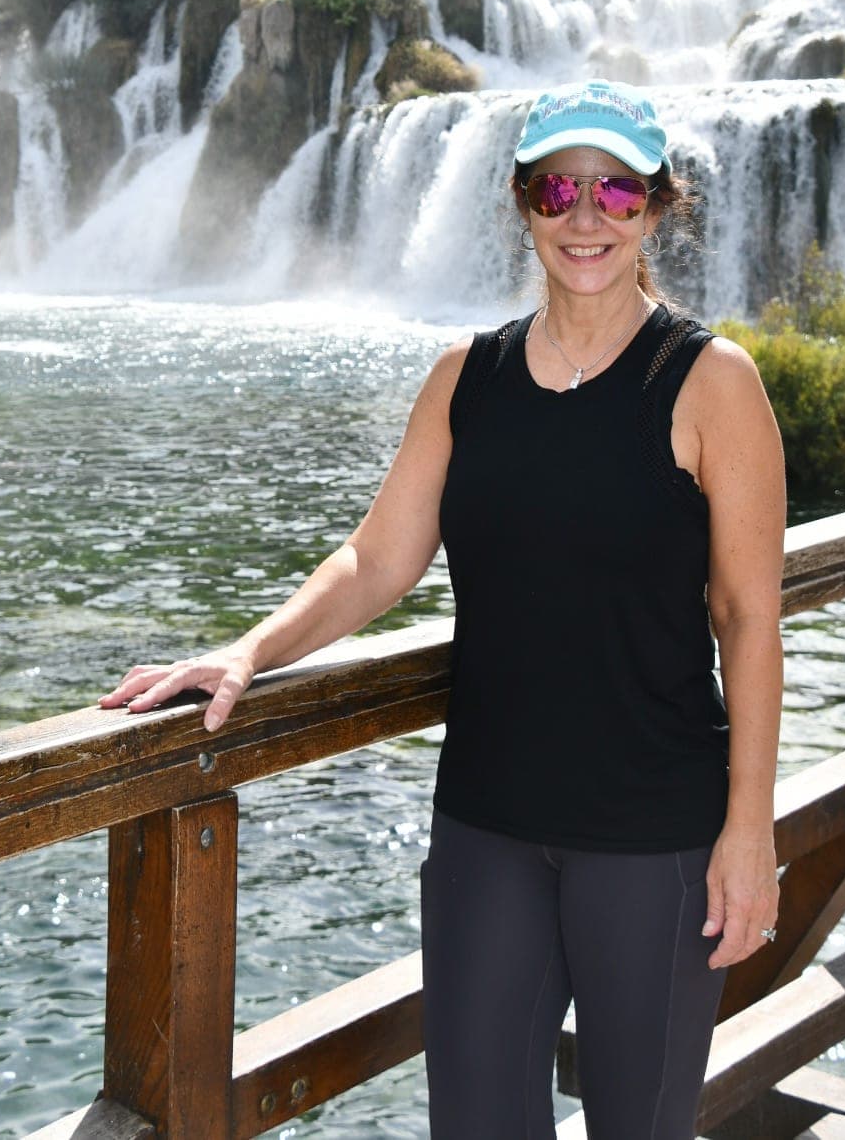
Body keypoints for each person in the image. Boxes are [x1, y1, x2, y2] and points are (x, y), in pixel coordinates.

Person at [100, 78, 786, 1140]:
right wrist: (248, 651)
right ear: (521, 201)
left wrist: (750, 832)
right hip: (486, 833)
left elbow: (748, 616)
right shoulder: (468, 376)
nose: (585, 217)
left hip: (654, 841)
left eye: (616, 191)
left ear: (656, 206)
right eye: (559, 188)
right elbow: (377, 559)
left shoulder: (710, 382)